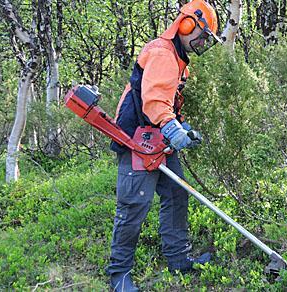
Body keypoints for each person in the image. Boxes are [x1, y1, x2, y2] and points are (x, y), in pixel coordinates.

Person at [106, 1, 221, 290]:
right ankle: (119, 274)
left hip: (160, 138)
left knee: (176, 195)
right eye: (203, 35)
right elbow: (154, 100)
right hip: (137, 139)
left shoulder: (179, 58)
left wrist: (181, 128)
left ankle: (178, 258)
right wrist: (172, 128)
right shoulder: (162, 52)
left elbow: (169, 102)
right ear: (187, 24)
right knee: (134, 205)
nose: (203, 42)